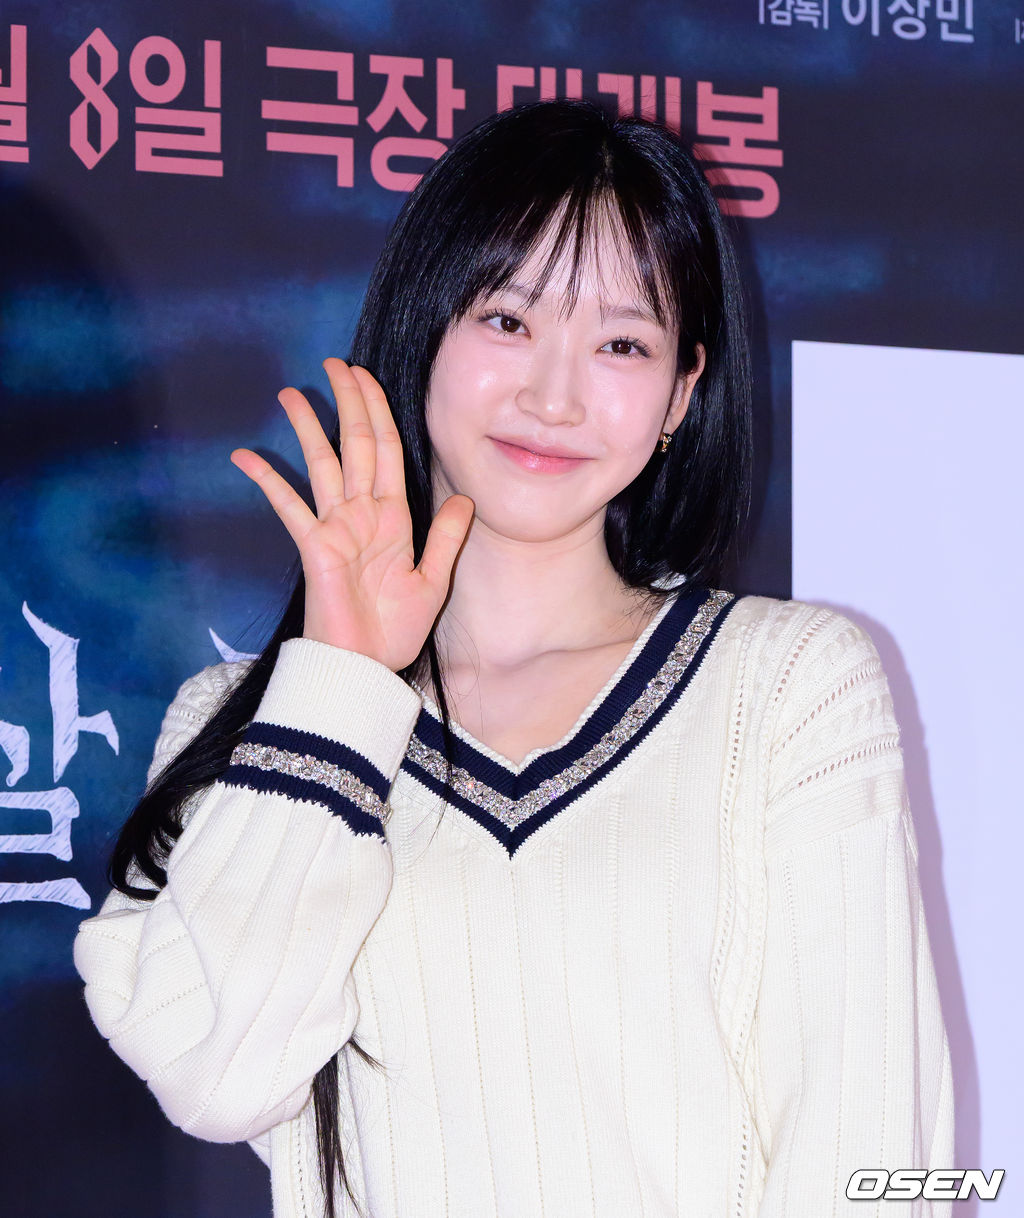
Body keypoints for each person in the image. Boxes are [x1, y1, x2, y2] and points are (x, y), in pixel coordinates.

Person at [72, 98, 954, 1217]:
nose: (554, 395)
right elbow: (217, 1076)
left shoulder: (785, 689)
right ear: (424, 330)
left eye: (622, 343)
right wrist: (341, 689)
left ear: (682, 393)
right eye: (507, 320)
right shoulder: (251, 726)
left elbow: (874, 1158)